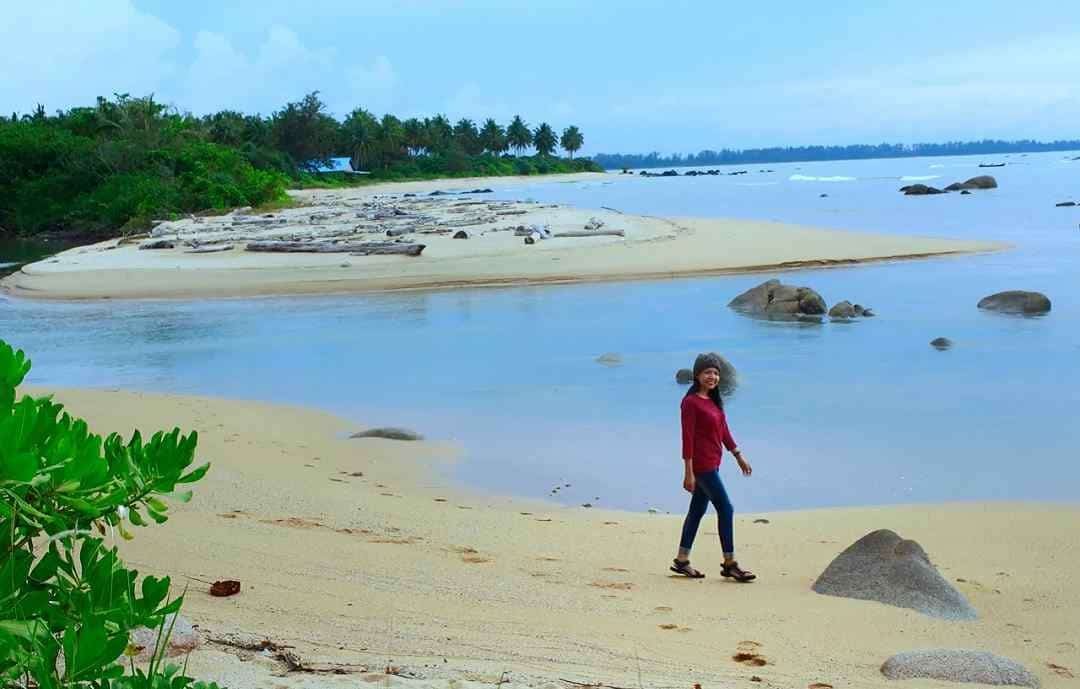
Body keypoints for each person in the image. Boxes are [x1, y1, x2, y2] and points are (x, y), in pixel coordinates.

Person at [670, 353, 756, 582]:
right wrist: (688, 472)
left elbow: (723, 430)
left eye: (716, 373)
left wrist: (738, 455)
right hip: (701, 465)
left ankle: (681, 560)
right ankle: (730, 563)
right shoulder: (690, 403)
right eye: (708, 372)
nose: (713, 376)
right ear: (697, 375)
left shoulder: (714, 402)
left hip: (713, 462)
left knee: (697, 512)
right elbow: (687, 438)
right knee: (726, 509)